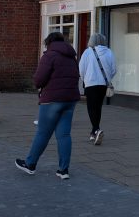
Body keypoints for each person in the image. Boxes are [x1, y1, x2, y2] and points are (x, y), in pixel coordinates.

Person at [15, 32, 80, 180]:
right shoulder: (72, 57)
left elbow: (39, 79)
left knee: (43, 133)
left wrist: (41, 86)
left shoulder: (49, 56)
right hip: (70, 100)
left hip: (52, 100)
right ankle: (63, 170)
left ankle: (30, 164)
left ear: (49, 42)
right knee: (64, 135)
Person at [78, 32, 116, 145]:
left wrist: (84, 79)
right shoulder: (109, 52)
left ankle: (96, 129)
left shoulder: (87, 52)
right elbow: (114, 69)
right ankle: (94, 131)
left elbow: (81, 68)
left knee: (91, 108)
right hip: (103, 84)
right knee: (98, 107)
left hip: (90, 84)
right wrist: (108, 78)